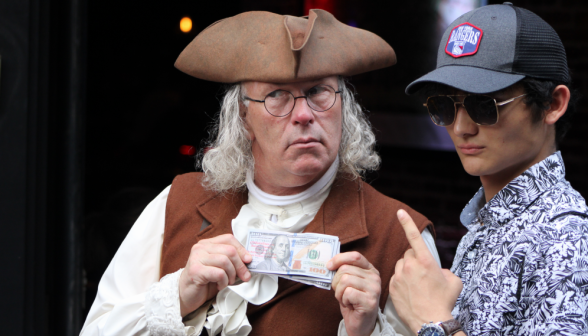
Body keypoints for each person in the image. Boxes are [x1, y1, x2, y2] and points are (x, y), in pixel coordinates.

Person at [80, 9, 441, 336]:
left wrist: (366, 332)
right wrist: (178, 294)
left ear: (343, 106)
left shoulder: (399, 238)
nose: (303, 114)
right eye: (277, 95)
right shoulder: (177, 203)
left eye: (318, 91)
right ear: (242, 117)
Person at [389, 3, 588, 336]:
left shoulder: (566, 237)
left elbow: (435, 321)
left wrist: (436, 323)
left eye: (485, 105)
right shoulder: (488, 219)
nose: (461, 127)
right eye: (445, 106)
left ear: (553, 104)